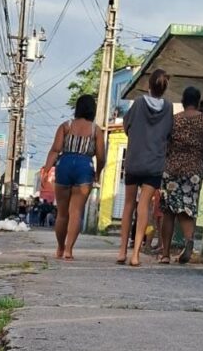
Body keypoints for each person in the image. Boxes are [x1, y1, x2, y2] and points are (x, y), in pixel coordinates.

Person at [42, 94, 107, 260]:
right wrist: (97, 174)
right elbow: (101, 157)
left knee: (62, 213)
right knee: (76, 212)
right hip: (84, 167)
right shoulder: (96, 130)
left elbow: (55, 150)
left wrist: (47, 169)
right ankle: (69, 250)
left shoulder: (65, 126)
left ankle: (59, 247)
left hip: (64, 165)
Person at [118, 69, 172, 266]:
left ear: (148, 86)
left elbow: (126, 125)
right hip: (154, 163)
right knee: (144, 207)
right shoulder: (168, 107)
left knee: (128, 205)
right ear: (164, 89)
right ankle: (136, 255)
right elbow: (168, 133)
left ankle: (122, 251)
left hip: (134, 160)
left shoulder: (139, 102)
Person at [160, 86, 203, 264]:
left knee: (169, 211)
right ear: (198, 102)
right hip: (194, 171)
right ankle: (189, 240)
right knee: (188, 209)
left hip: (172, 169)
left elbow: (165, 146)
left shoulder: (174, 120)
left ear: (183, 102)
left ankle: (165, 254)